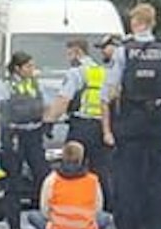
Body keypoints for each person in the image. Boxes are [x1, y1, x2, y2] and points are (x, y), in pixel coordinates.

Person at [106, 3, 161, 229]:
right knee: (158, 182)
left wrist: (111, 123)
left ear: (135, 22)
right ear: (153, 22)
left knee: (127, 182)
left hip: (129, 122)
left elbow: (110, 90)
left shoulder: (123, 52)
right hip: (157, 122)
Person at [0, 50, 53, 229]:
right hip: (15, 134)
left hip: (34, 133)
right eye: (28, 66)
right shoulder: (6, 86)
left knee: (44, 177)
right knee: (14, 182)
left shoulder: (36, 85)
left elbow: (49, 104)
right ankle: (15, 227)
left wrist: (46, 121)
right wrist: (1, 120)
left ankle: (49, 220)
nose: (32, 69)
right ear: (17, 68)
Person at [48, 38, 117, 212]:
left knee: (71, 166)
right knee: (101, 170)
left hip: (81, 125)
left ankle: (71, 204)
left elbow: (63, 100)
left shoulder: (76, 73)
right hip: (101, 126)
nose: (69, 58)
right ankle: (106, 208)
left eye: (70, 53)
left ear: (78, 52)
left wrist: (48, 121)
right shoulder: (101, 71)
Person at [25, 140, 112, 229]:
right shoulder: (92, 179)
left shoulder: (52, 179)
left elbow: (44, 208)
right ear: (81, 158)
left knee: (33, 216)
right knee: (106, 217)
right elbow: (98, 207)